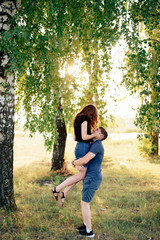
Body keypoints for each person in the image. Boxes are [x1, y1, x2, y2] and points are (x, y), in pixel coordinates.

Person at [51, 104, 102, 207]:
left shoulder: (77, 119)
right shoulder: (84, 119)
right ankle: (57, 189)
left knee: (80, 175)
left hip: (79, 146)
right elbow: (84, 136)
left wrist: (90, 137)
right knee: (81, 175)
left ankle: (63, 193)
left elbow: (75, 138)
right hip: (83, 147)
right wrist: (94, 135)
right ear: (91, 113)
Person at [72, 126, 108, 238]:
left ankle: (89, 231)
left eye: (97, 130)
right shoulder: (93, 144)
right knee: (84, 203)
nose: (94, 130)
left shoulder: (97, 145)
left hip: (92, 178)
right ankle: (85, 224)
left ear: (101, 136)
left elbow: (85, 160)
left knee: (85, 203)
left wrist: (74, 162)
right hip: (91, 177)